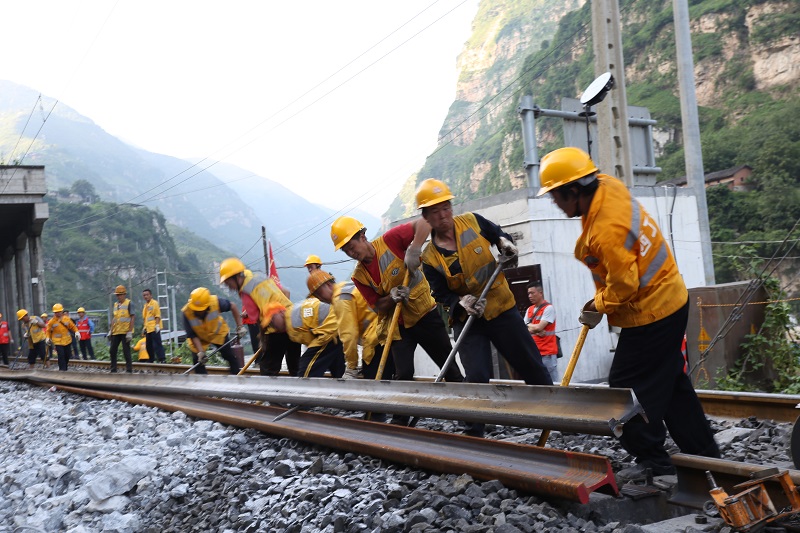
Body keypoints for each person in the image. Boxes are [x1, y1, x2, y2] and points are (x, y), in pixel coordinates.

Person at [538, 146, 720, 480]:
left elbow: (625, 287)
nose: (554, 202)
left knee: (624, 389)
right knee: (672, 383)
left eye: (556, 196)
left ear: (575, 190)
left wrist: (598, 305)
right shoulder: (608, 186)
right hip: (672, 299)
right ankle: (707, 456)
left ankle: (653, 458)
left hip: (651, 312)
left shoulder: (606, 229)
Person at [415, 179, 553, 436]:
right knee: (477, 375)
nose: (443, 215)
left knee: (530, 364)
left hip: (501, 307)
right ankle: (475, 431)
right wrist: (461, 303)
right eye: (435, 211)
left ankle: (556, 415)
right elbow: (440, 294)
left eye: (446, 207)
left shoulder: (472, 221)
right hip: (468, 320)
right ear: (426, 217)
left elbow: (501, 237)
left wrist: (505, 244)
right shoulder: (429, 257)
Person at [331, 215, 464, 426]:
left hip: (424, 316)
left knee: (449, 368)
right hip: (398, 326)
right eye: (345, 250)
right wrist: (391, 297)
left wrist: (414, 249)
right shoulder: (359, 276)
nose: (350, 252)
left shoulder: (390, 240)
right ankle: (400, 422)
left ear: (363, 236)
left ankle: (471, 417)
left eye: (351, 245)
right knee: (402, 374)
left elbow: (424, 222)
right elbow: (376, 306)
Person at [219, 258, 300, 376]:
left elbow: (258, 320)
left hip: (276, 330)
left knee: (268, 369)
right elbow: (284, 292)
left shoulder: (246, 291)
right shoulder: (259, 277)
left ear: (236, 277)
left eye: (228, 283)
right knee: (295, 367)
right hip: (293, 321)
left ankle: (267, 393)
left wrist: (263, 340)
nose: (229, 287)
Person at [306, 270, 384, 379]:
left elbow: (348, 335)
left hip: (376, 337)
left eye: (319, 293)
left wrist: (351, 367)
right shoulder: (345, 287)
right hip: (385, 332)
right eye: (317, 296)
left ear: (328, 285)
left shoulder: (340, 298)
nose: (320, 299)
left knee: (372, 381)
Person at [181, 287, 245, 374]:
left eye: (200, 310)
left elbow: (233, 306)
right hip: (199, 338)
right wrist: (201, 352)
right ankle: (203, 382)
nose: (198, 312)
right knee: (198, 361)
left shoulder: (215, 302)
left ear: (207, 306)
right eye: (196, 309)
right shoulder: (186, 312)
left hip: (217, 333)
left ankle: (237, 376)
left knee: (229, 355)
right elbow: (192, 335)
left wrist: (239, 327)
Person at [525, 283, 559, 381]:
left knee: (552, 382)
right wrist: (535, 329)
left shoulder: (548, 308)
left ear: (540, 293)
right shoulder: (529, 309)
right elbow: (523, 327)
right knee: (539, 381)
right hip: (534, 352)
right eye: (528, 294)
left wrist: (533, 328)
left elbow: (540, 327)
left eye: (532, 293)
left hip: (547, 353)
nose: (530, 296)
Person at [45, 303, 80, 371]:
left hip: (67, 340)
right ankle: (62, 370)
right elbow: (48, 331)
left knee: (67, 355)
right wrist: (47, 338)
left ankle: (65, 368)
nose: (58, 313)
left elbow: (73, 326)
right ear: (54, 312)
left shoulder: (66, 319)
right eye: (56, 312)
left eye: (59, 312)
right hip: (58, 342)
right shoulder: (51, 322)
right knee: (61, 356)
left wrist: (76, 332)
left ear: (62, 311)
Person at [109, 284, 135, 373]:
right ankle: (113, 369)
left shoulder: (129, 303)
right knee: (112, 350)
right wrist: (110, 330)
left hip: (125, 331)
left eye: (120, 294)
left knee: (126, 350)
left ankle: (129, 369)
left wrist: (130, 332)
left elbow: (132, 317)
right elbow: (114, 318)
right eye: (117, 295)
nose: (118, 296)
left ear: (124, 294)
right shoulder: (115, 305)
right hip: (116, 331)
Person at [141, 289, 166, 363]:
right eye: (144, 295)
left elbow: (157, 315)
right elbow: (146, 318)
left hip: (154, 328)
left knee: (157, 344)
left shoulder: (154, 303)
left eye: (147, 295)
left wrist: (157, 325)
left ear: (151, 295)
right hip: (148, 328)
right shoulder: (145, 306)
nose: (146, 296)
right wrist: (144, 328)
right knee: (148, 345)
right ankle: (151, 359)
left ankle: (162, 359)